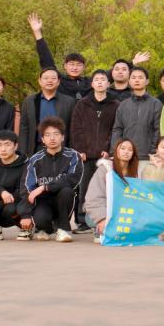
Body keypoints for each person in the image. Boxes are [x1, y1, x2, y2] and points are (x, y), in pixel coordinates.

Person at [69, 69, 119, 233]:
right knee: (84, 187)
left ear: (108, 84)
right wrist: (80, 149)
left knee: (105, 187)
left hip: (105, 155)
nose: (99, 82)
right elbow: (76, 128)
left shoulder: (115, 104)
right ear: (92, 84)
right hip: (86, 155)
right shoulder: (82, 104)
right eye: (96, 79)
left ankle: (104, 219)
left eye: (103, 79)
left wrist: (108, 149)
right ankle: (83, 220)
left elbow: (115, 129)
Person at [18, 117, 82, 242]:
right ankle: (45, 229)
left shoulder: (73, 155)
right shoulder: (35, 160)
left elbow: (72, 179)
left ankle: (63, 229)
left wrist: (45, 187)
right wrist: (25, 214)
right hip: (43, 201)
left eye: (56, 134)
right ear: (42, 139)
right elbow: (26, 187)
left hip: (63, 199)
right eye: (47, 135)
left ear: (62, 137)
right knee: (41, 219)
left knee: (67, 191)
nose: (52, 138)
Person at [83, 138, 139, 243]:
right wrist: (101, 219)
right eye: (123, 148)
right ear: (116, 150)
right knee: (92, 219)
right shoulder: (105, 169)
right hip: (104, 209)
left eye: (130, 150)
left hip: (123, 211)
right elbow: (93, 197)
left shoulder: (135, 172)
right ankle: (99, 228)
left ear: (133, 154)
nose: (126, 152)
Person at [28, 13, 90, 100]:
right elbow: (46, 59)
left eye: (78, 65)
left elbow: (107, 75)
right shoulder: (59, 80)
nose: (75, 68)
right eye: (72, 64)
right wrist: (37, 32)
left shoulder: (89, 82)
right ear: (65, 66)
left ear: (83, 67)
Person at [19, 68, 76, 155]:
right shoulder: (29, 101)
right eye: (46, 78)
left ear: (58, 82)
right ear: (39, 81)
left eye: (53, 78)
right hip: (36, 148)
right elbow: (24, 128)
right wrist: (22, 152)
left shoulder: (69, 102)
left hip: (61, 149)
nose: (50, 81)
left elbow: (73, 129)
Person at [111, 67, 163, 159]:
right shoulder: (123, 105)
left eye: (140, 77)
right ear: (129, 81)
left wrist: (153, 150)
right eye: (133, 77)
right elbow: (117, 129)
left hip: (149, 156)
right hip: (126, 156)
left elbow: (158, 129)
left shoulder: (156, 104)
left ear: (147, 81)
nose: (137, 80)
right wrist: (115, 150)